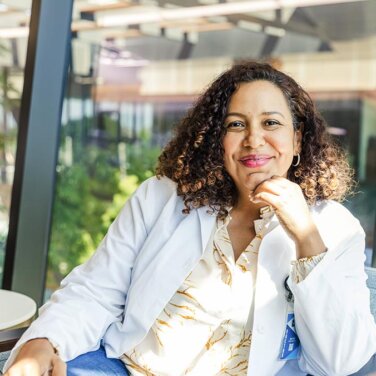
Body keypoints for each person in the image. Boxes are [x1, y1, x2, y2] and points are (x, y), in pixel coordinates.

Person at [4, 61, 376, 376]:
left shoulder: (333, 228)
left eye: (271, 123)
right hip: (123, 367)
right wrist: (41, 341)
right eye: (235, 124)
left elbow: (340, 361)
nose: (253, 139)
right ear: (218, 139)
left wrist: (305, 237)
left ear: (297, 140)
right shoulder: (162, 197)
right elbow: (96, 290)